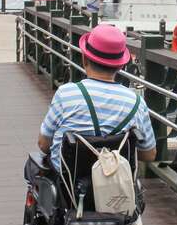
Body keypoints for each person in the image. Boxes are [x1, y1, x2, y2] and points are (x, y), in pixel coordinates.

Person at [38, 24, 156, 172]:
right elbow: (149, 154)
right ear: (120, 66)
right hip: (117, 186)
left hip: (68, 183)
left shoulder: (66, 94)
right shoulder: (136, 102)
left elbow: (43, 144)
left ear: (84, 58)